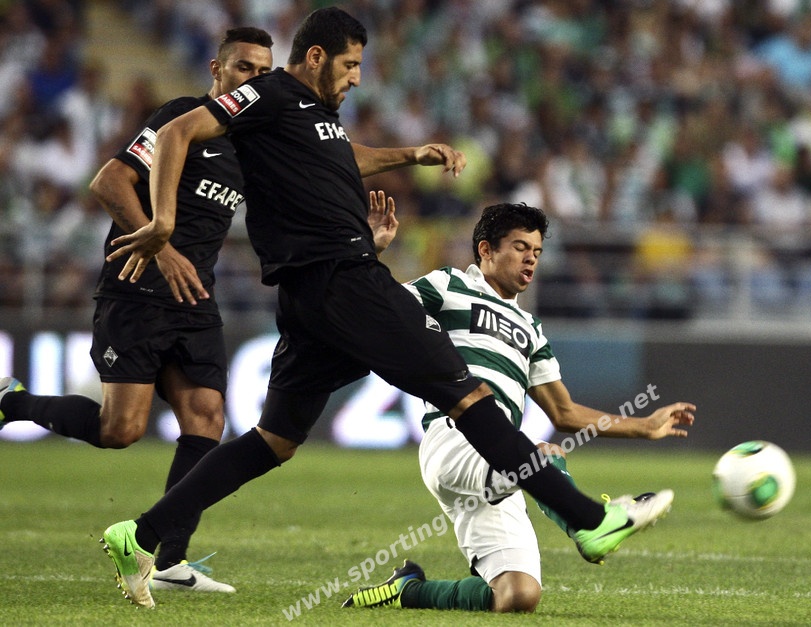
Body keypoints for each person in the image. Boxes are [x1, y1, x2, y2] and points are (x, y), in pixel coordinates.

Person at [99, 7, 678, 609]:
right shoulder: (268, 94)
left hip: (315, 293)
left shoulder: (313, 115)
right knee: (466, 393)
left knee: (275, 439)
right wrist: (162, 223)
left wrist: (411, 155)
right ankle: (588, 519)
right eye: (350, 65)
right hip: (344, 280)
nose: (356, 77)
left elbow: (343, 159)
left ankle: (139, 535)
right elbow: (176, 133)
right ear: (316, 57)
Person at [0, 26, 276, 593]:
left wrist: (406, 159)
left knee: (207, 418)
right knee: (120, 429)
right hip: (137, 289)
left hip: (194, 296)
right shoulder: (181, 118)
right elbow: (109, 182)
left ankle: (171, 560)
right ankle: (13, 402)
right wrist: (163, 248)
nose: (254, 80)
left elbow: (333, 161)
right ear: (217, 70)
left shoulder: (253, 143)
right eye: (244, 68)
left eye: (264, 73)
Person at [343, 200, 695, 612]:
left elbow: (564, 413)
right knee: (543, 455)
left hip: (503, 464)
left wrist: (644, 425)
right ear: (486, 250)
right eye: (520, 247)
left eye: (537, 252)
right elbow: (375, 307)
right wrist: (370, 250)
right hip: (455, 442)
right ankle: (590, 525)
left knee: (518, 595)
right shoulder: (448, 285)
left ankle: (408, 590)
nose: (531, 259)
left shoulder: (531, 329)